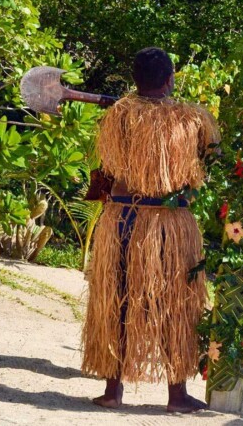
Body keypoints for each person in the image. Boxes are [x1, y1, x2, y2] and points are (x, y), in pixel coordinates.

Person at [82, 47, 219, 412]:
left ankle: (113, 392)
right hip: (169, 223)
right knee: (174, 304)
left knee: (118, 301)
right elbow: (212, 159)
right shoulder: (194, 119)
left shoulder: (118, 116)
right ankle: (177, 396)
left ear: (135, 79)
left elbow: (107, 169)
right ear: (171, 79)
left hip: (122, 219)